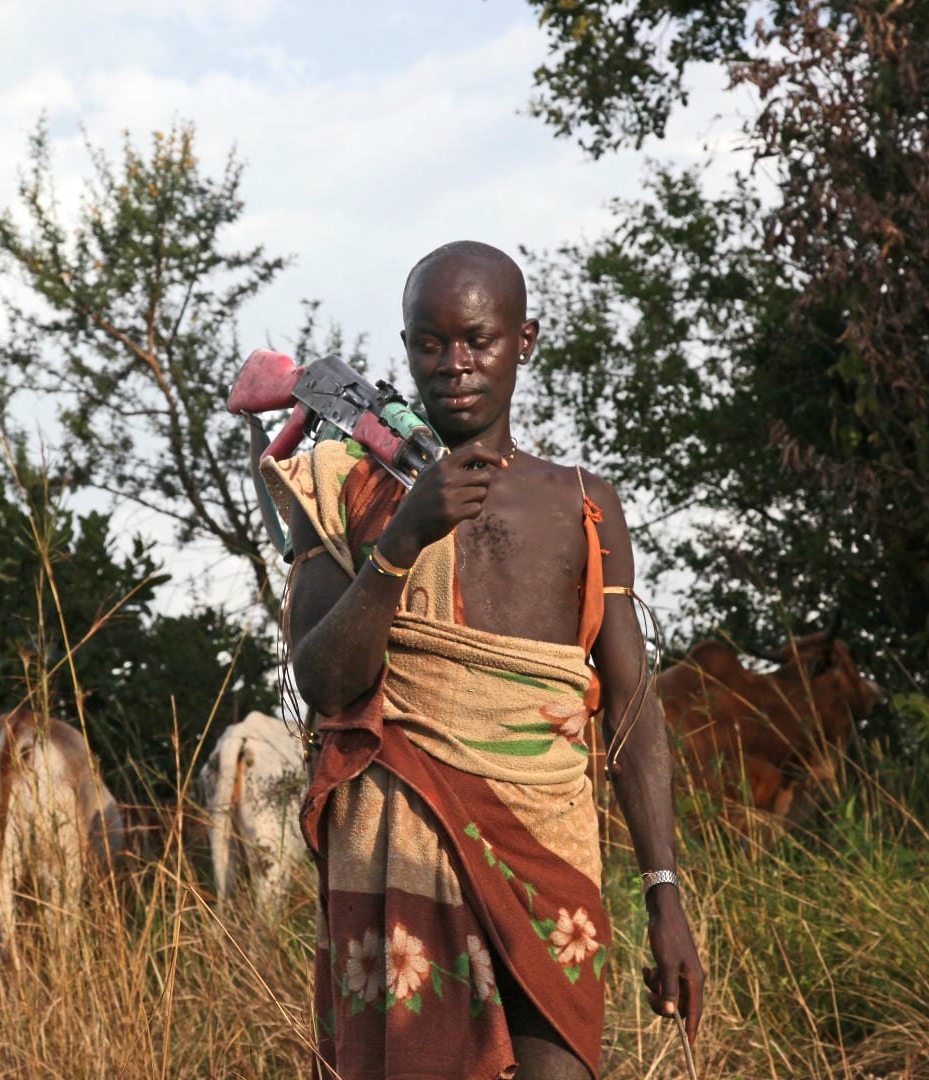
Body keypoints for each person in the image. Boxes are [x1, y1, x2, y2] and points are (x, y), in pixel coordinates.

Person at [265, 241, 703, 1079]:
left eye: (478, 339)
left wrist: (664, 895)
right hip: (400, 857)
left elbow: (631, 709)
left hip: (550, 859)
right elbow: (323, 681)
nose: (454, 364)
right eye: (431, 344)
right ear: (406, 348)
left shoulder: (584, 504)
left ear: (524, 340)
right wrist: (403, 539)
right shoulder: (348, 484)